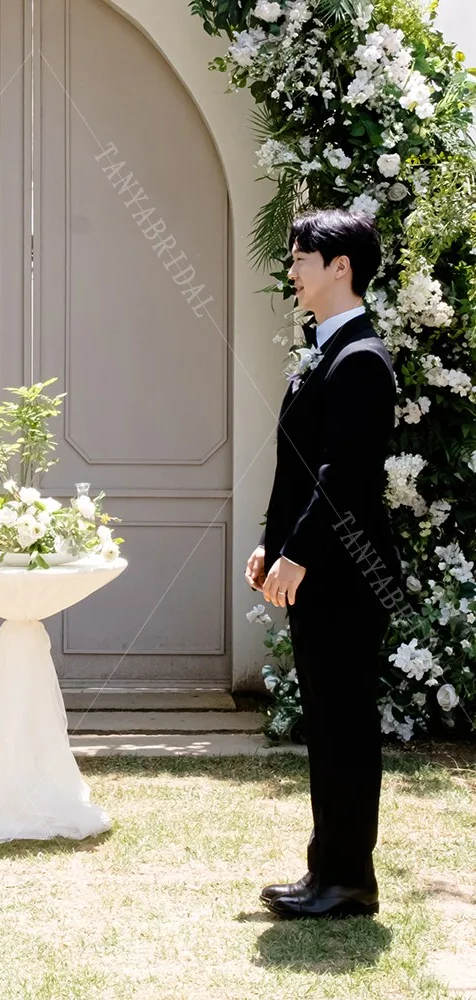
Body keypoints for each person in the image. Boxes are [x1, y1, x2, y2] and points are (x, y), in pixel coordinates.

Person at [246, 209, 401, 919]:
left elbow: (344, 476)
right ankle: (328, 873)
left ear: (341, 267)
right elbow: (301, 468)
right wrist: (270, 543)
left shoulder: (361, 360)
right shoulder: (330, 351)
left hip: (342, 577)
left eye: (302, 258)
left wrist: (299, 556)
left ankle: (345, 881)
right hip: (319, 572)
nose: (294, 271)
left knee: (343, 726)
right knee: (329, 723)